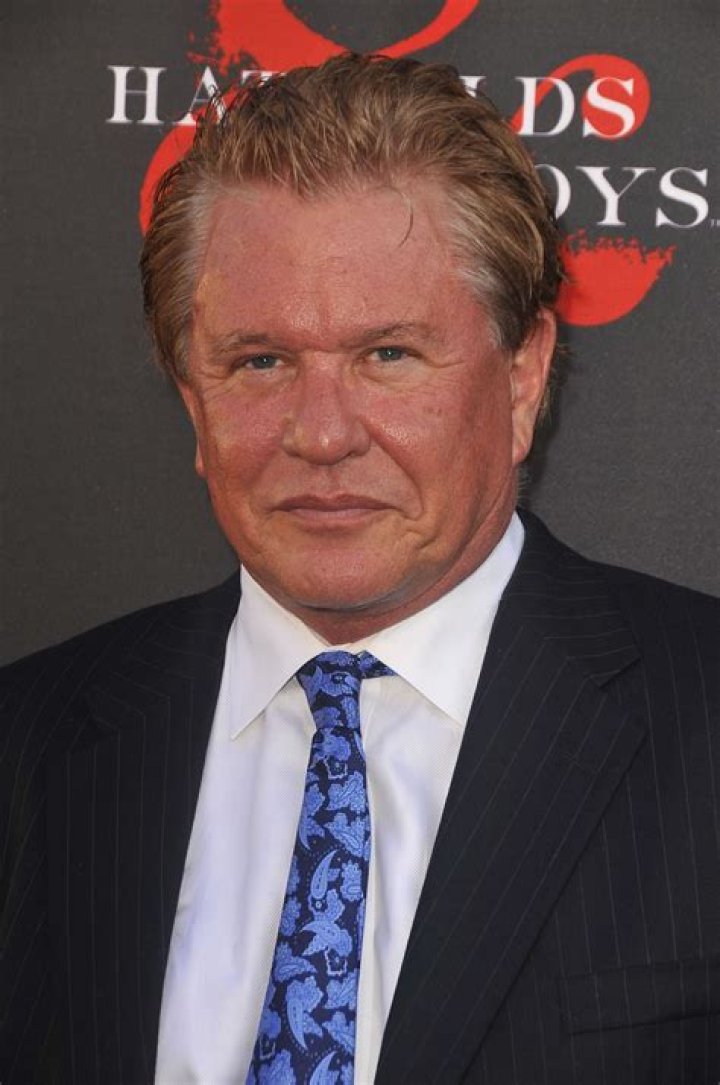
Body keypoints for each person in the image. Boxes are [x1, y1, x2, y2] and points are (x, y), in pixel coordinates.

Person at [1, 54, 718, 1085]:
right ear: (193, 401)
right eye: (260, 361)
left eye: (388, 355)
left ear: (523, 378)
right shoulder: (30, 745)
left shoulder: (701, 716)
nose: (323, 433)